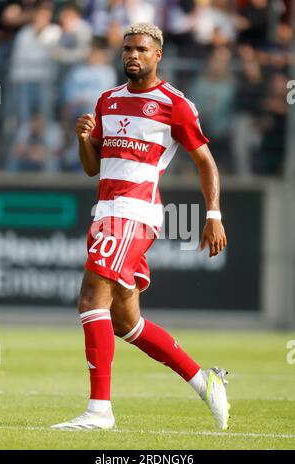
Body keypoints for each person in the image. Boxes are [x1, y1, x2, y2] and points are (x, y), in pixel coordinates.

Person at [52, 22, 230, 432]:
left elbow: (206, 161)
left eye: (142, 50)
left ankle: (100, 411)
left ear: (157, 56)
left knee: (89, 297)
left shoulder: (174, 104)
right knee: (124, 321)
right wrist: (83, 139)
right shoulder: (107, 101)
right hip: (105, 211)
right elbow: (92, 167)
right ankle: (206, 382)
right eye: (128, 49)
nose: (133, 55)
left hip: (135, 211)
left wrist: (213, 215)